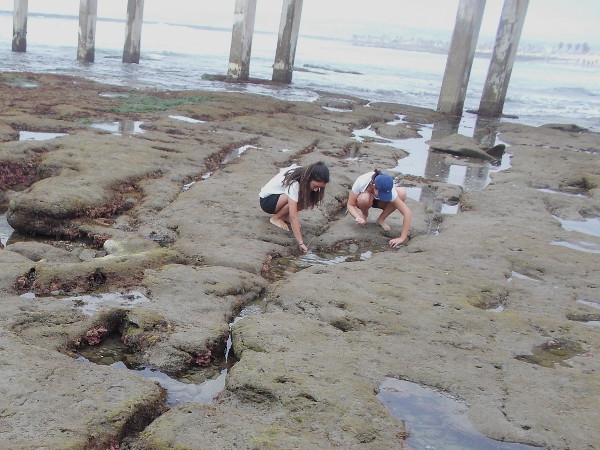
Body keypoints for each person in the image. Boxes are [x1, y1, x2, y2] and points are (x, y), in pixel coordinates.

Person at [259, 161, 330, 253]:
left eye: (320, 187)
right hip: (267, 201)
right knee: (296, 198)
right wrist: (301, 242)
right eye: (315, 186)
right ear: (310, 178)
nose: (316, 189)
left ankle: (284, 215)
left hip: (279, 197)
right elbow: (294, 216)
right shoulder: (295, 182)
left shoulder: (305, 175)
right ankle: (276, 218)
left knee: (306, 198)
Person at [347, 169, 412, 248]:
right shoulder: (361, 181)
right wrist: (357, 217)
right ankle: (364, 214)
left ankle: (381, 219)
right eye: (382, 193)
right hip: (365, 200)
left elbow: (407, 212)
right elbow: (350, 204)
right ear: (374, 186)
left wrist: (402, 238)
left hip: (380, 202)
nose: (383, 195)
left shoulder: (386, 186)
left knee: (401, 193)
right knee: (364, 198)